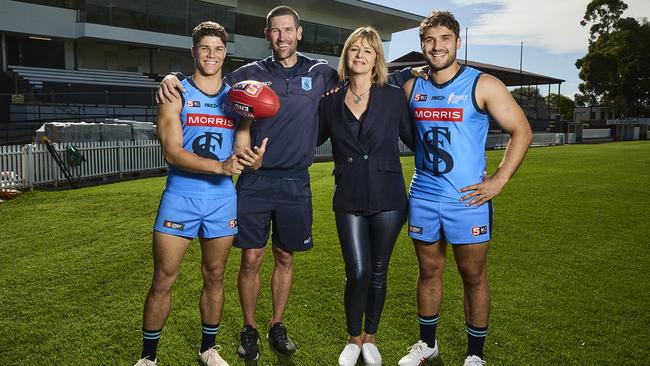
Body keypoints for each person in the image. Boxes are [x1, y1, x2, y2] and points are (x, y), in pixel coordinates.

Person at [156, 7, 417, 361]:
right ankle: (249, 329)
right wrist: (170, 77)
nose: (282, 37)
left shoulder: (321, 73)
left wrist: (410, 74)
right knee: (251, 257)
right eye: (275, 31)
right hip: (254, 179)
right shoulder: (248, 74)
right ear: (267, 35)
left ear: (299, 33)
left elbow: (363, 76)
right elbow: (209, 82)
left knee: (285, 256)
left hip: (296, 181)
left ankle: (277, 325)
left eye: (288, 30)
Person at [397, 11, 533, 366]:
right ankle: (428, 345)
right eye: (429, 40)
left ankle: (475, 354)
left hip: (468, 199)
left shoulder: (483, 84)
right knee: (428, 271)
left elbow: (522, 130)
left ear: (457, 42)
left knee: (472, 275)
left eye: (444, 39)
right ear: (421, 45)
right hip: (424, 195)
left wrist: (499, 180)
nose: (436, 46)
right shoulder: (411, 87)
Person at [134, 21, 266, 366]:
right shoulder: (176, 92)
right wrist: (220, 167)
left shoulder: (236, 98)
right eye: (205, 48)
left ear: (226, 53)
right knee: (163, 278)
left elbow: (240, 149)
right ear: (194, 51)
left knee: (215, 275)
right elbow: (172, 152)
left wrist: (252, 160)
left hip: (222, 200)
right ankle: (148, 358)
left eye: (219, 49)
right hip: (181, 196)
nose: (212, 55)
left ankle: (208, 348)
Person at [317, 27, 415, 366]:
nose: (360, 54)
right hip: (349, 195)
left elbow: (416, 139)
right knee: (356, 270)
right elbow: (307, 137)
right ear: (347, 55)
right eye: (355, 49)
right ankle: (353, 338)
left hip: (389, 195)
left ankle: (371, 338)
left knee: (377, 270)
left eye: (368, 51)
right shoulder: (329, 100)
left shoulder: (392, 96)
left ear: (376, 60)